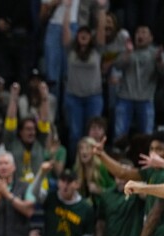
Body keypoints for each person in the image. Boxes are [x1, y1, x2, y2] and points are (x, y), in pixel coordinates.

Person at [62, 0, 107, 161]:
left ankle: (95, 163)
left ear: (90, 37)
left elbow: (101, 29)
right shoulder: (70, 51)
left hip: (93, 97)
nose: (84, 34)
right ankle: (76, 164)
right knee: (75, 134)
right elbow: (65, 29)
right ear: (78, 35)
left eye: (87, 33)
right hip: (74, 97)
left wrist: (101, 8)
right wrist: (67, 9)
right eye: (81, 32)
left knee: (94, 135)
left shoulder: (97, 50)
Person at [114, 26, 164, 139]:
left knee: (147, 135)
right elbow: (117, 65)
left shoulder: (156, 53)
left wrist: (159, 61)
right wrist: (127, 54)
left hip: (145, 99)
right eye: (138, 32)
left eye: (144, 32)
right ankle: (118, 155)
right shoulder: (127, 50)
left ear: (150, 38)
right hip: (125, 98)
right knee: (119, 134)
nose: (140, 35)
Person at [74, 137, 114, 208]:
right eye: (81, 148)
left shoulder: (102, 167)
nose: (84, 152)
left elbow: (114, 191)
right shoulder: (76, 168)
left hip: (102, 207)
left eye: (87, 148)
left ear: (94, 151)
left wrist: (99, 190)